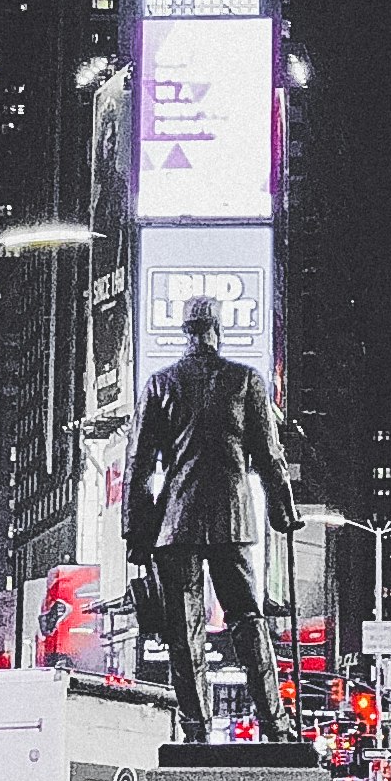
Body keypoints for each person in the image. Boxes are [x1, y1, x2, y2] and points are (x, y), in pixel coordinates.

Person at [125, 291, 300, 740]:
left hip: (175, 523)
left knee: (185, 633)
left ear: (185, 332)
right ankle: (276, 725)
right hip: (233, 520)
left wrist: (135, 530)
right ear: (218, 330)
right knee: (248, 619)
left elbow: (139, 466)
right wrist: (284, 508)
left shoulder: (161, 384)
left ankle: (196, 729)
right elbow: (269, 457)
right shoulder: (246, 381)